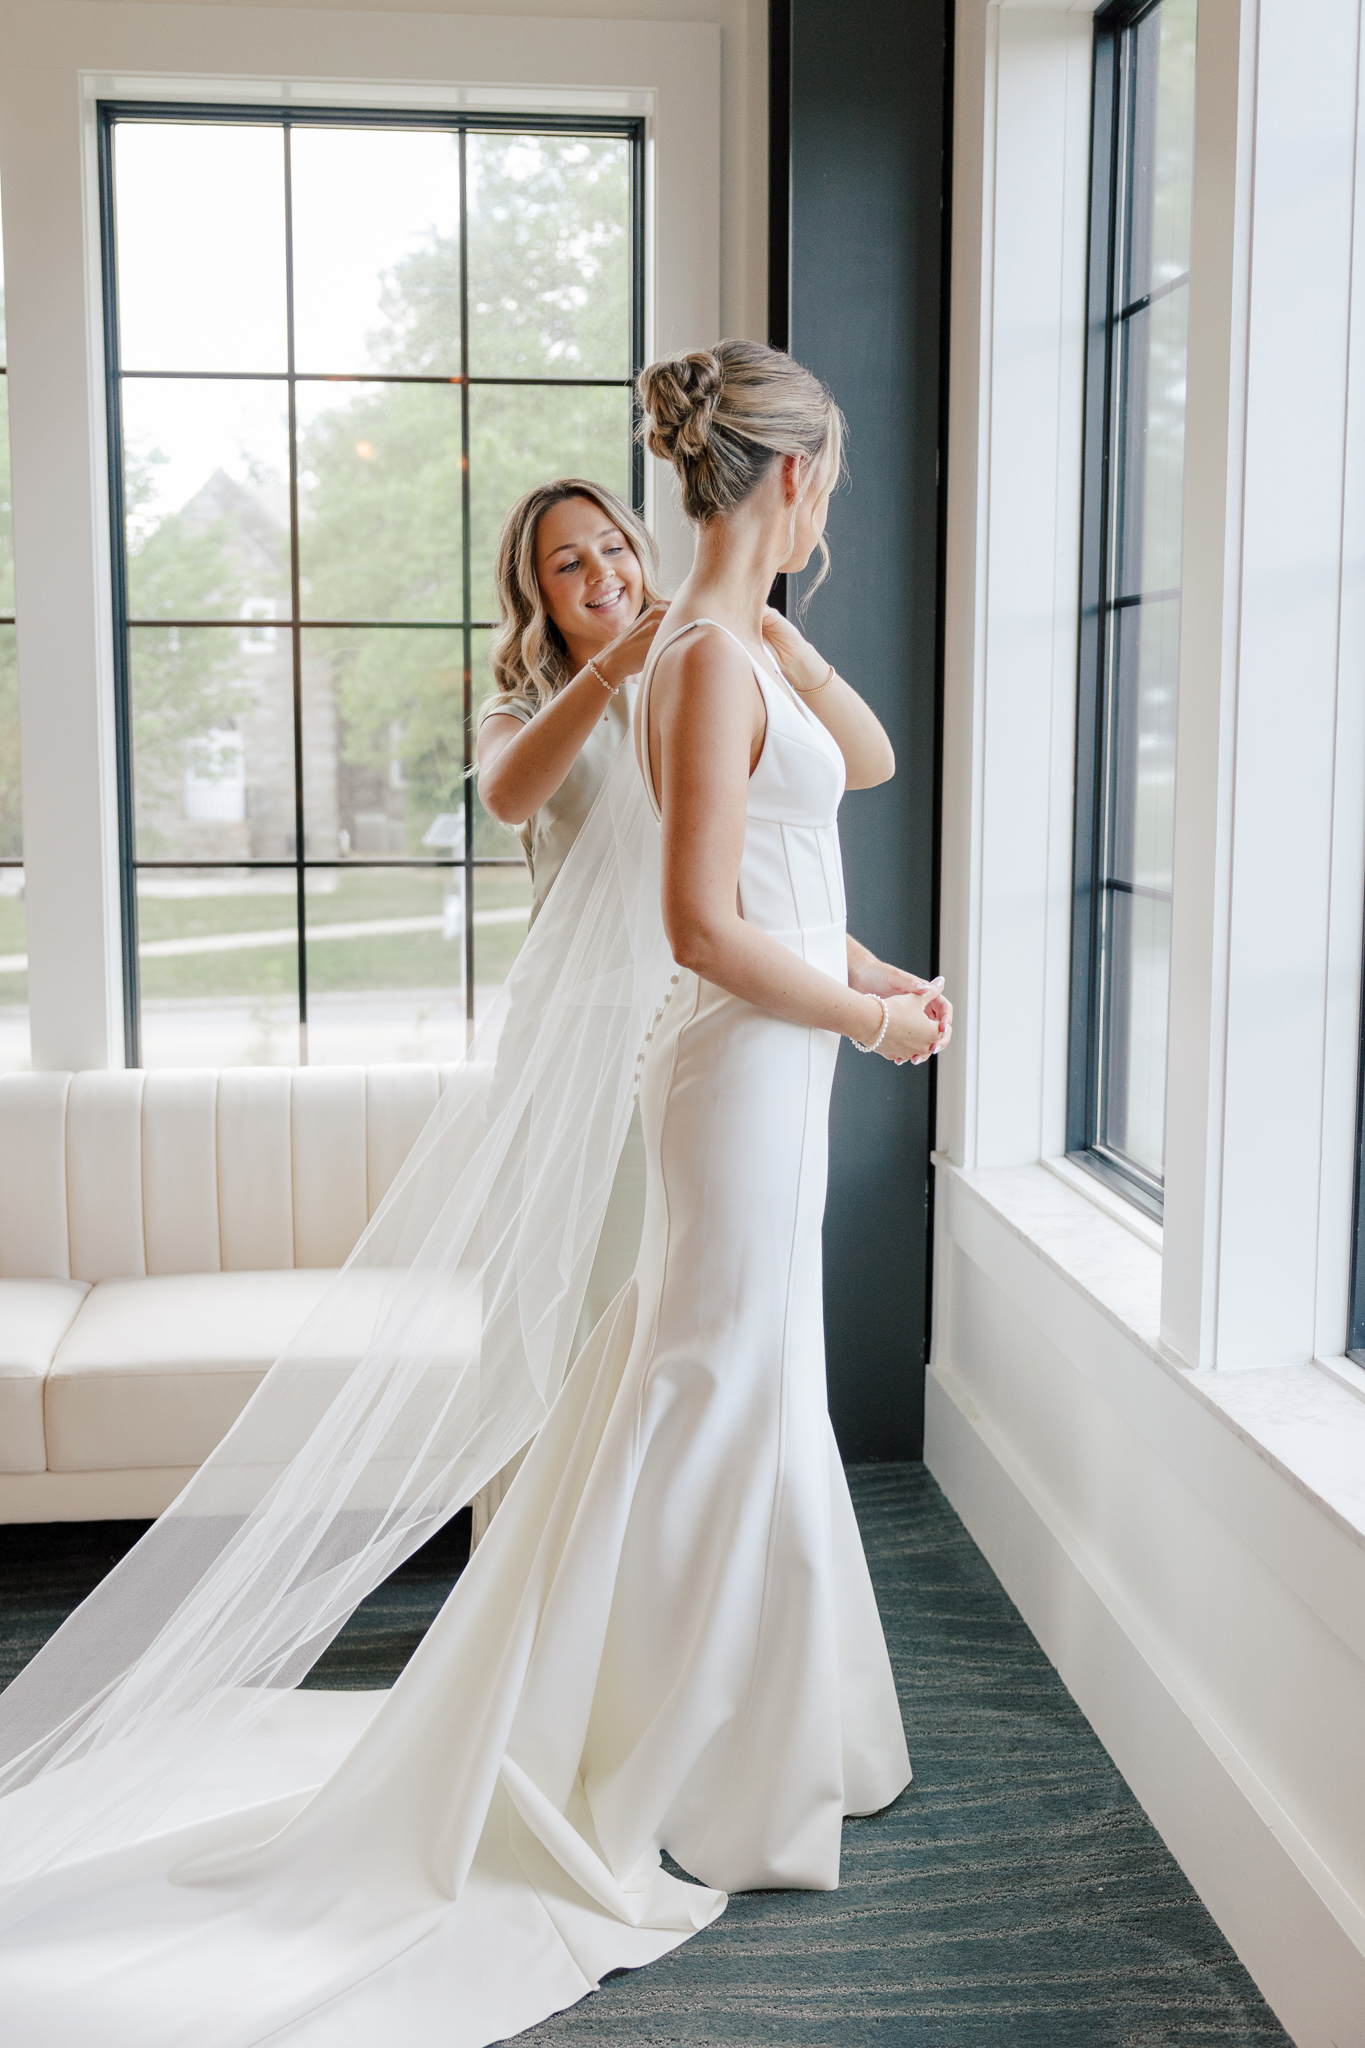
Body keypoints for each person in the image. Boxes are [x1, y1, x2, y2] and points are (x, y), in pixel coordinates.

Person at [0, 342, 951, 2046]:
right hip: (740, 1067)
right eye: (832, 476)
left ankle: (754, 1731)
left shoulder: (730, 645)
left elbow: (831, 809)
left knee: (735, 1382)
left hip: (774, 1059)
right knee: (704, 1387)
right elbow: (702, 924)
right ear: (796, 476)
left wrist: (868, 968)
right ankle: (660, 1751)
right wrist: (869, 1016)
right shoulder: (696, 663)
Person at [470, 480, 667, 1544]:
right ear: (537, 594)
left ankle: (640, 1550)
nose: (600, 574)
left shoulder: (695, 673)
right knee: (566, 1292)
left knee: (662, 1290)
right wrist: (606, 672)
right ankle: (541, 1553)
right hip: (575, 1033)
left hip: (683, 1019)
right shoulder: (522, 703)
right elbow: (508, 794)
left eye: (611, 547)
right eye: (567, 563)